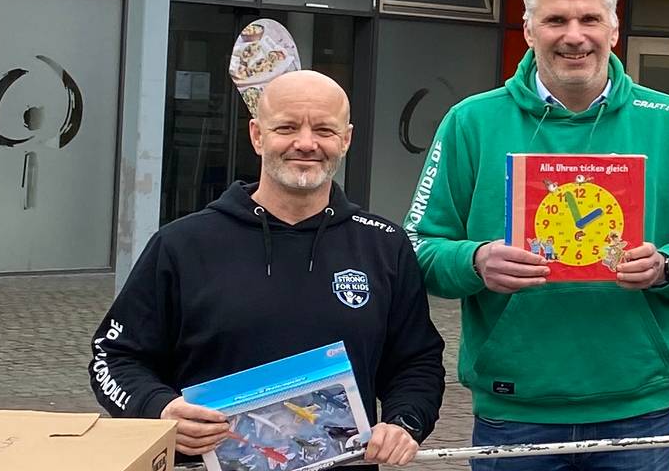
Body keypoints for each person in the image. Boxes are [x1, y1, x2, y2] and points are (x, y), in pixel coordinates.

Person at [407, 0, 669, 471]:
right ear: (528, 27)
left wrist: (667, 268)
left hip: (638, 403)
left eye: (589, 18)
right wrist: (475, 262)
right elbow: (417, 248)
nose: (574, 35)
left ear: (613, 27)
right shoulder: (471, 122)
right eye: (556, 19)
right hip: (515, 404)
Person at [90, 70, 444, 466]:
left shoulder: (384, 246)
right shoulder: (182, 245)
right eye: (287, 127)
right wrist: (160, 408)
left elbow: (418, 362)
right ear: (257, 135)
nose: (306, 143)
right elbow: (113, 357)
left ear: (346, 139)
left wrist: (403, 422)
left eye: (324, 130)